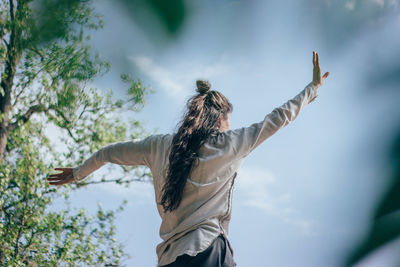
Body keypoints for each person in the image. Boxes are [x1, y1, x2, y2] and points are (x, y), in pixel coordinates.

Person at [48, 51, 330, 267]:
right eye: (229, 119)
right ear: (221, 117)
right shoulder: (228, 145)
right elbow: (278, 119)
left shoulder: (158, 146)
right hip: (207, 249)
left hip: (170, 259)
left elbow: (108, 152)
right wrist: (312, 89)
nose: (231, 125)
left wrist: (77, 172)